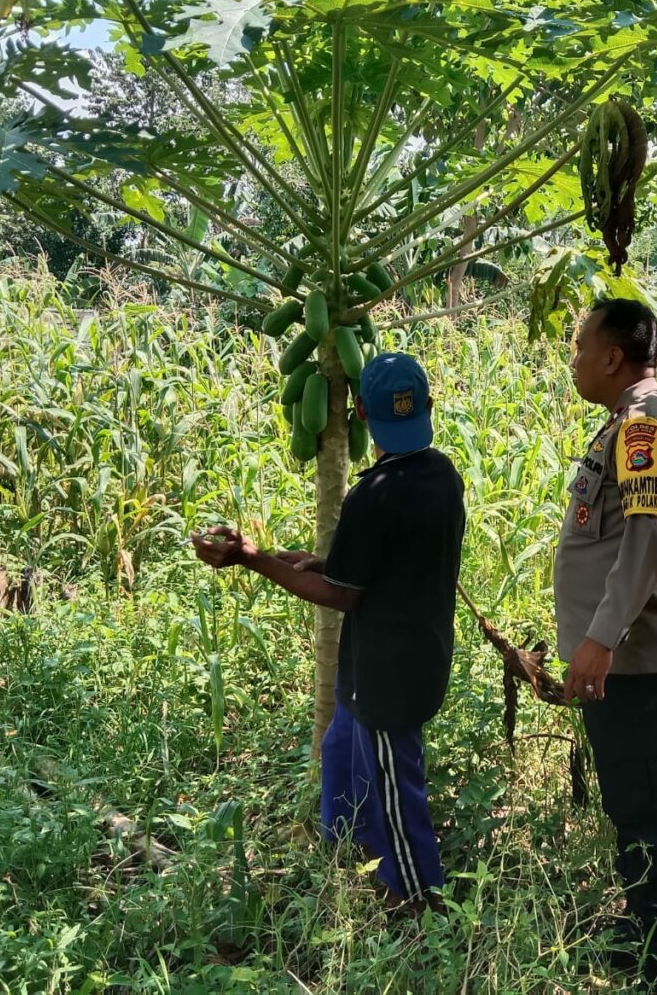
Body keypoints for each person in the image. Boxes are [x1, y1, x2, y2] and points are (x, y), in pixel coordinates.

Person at [191, 352, 466, 913]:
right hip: (413, 655)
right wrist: (320, 562)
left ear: (360, 411)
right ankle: (351, 856)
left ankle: (418, 903)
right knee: (342, 749)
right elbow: (384, 564)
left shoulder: (375, 493)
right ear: (427, 407)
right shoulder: (442, 476)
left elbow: (344, 595)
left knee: (395, 792)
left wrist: (251, 559)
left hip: (388, 677)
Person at [554, 298, 657, 994]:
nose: (575, 358)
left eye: (580, 345)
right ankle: (646, 923)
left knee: (649, 808)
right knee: (633, 803)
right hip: (628, 661)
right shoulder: (625, 424)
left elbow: (650, 539)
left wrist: (599, 640)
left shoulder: (645, 427)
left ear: (613, 355)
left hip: (638, 661)